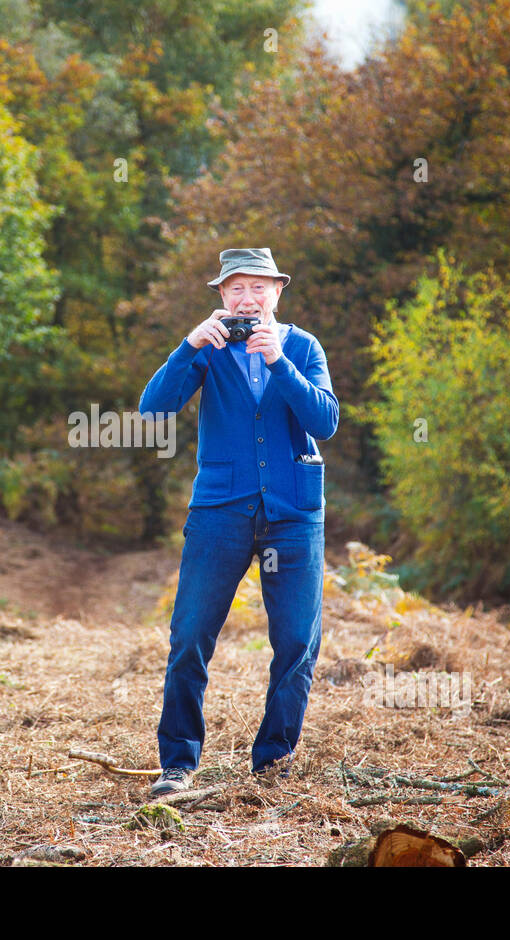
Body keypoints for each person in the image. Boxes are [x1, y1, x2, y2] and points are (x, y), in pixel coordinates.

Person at [138, 247, 339, 796]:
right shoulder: (209, 347)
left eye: (258, 288)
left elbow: (324, 421)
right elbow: (152, 410)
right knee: (189, 638)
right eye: (235, 290)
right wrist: (187, 346)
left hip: (293, 515)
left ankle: (272, 767)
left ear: (277, 292)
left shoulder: (302, 346)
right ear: (222, 297)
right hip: (220, 513)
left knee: (297, 643)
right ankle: (178, 765)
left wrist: (281, 363)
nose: (247, 299)